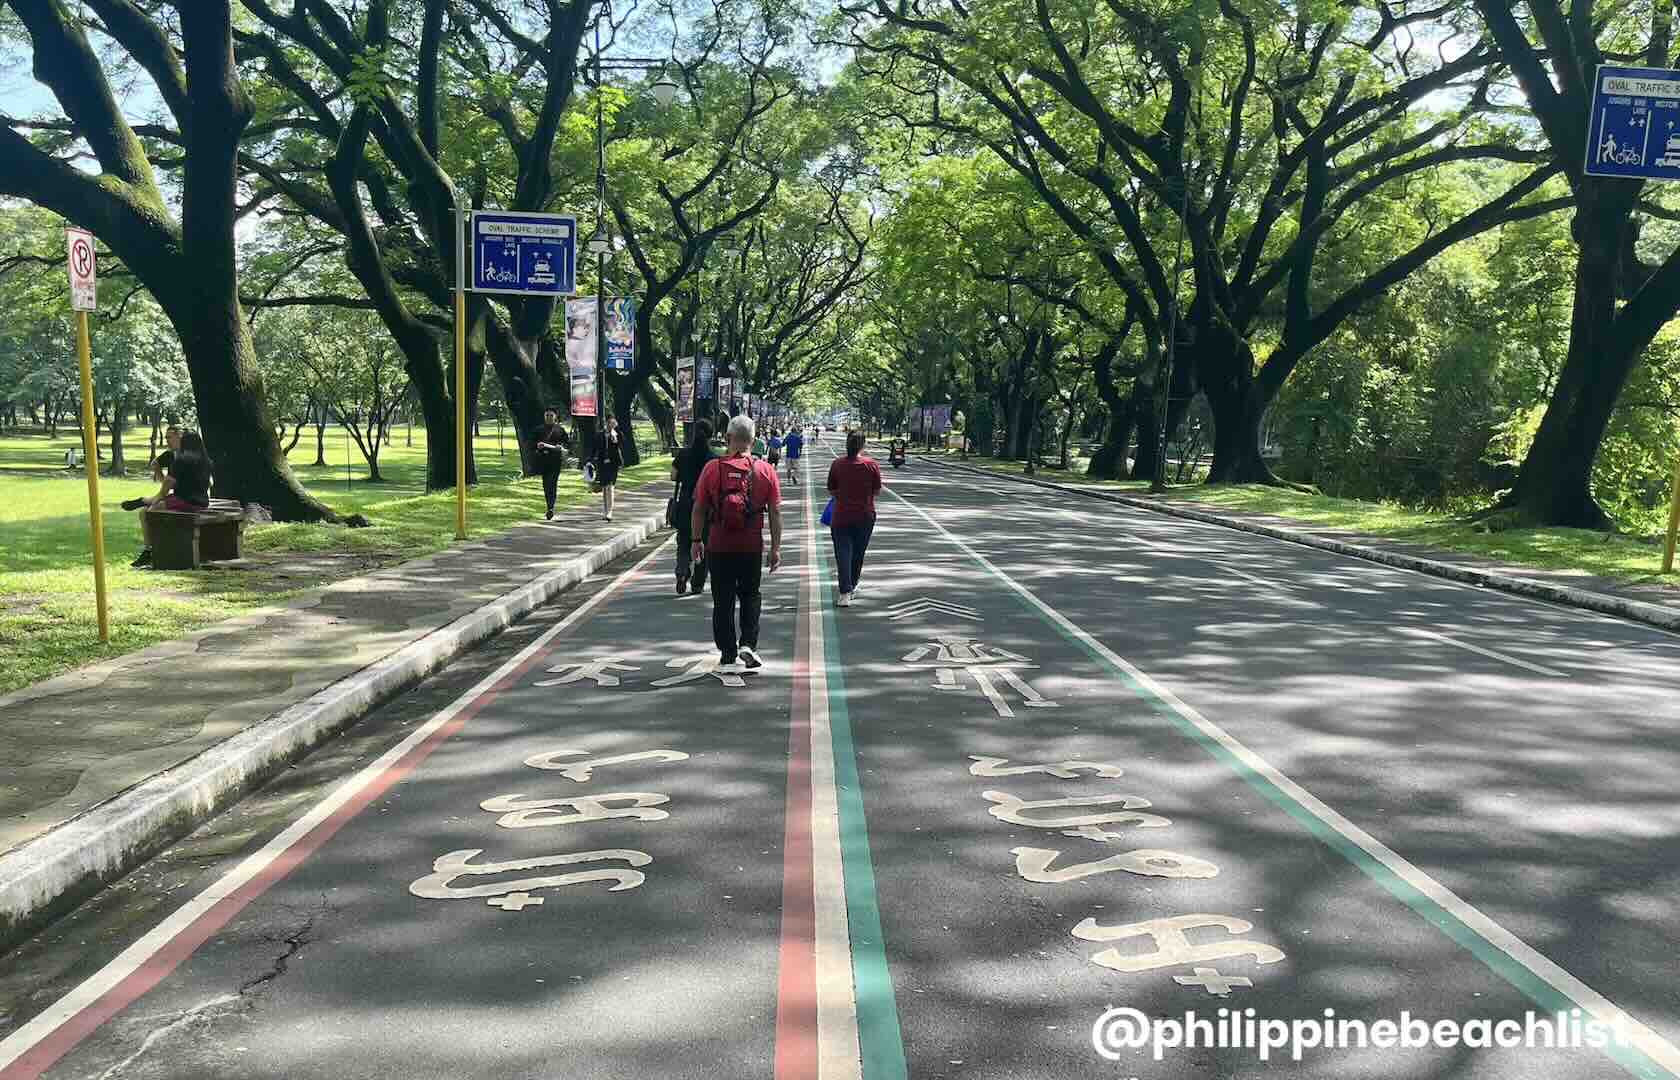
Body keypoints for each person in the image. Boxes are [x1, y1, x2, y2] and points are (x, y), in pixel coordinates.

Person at [691, 415, 783, 673]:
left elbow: (698, 508)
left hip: (718, 545)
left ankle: (728, 652)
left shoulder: (712, 468)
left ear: (728, 437)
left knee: (722, 600)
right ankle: (748, 644)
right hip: (751, 546)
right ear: (753, 440)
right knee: (751, 596)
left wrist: (696, 540)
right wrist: (775, 548)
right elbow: (775, 513)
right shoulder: (766, 471)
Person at [132, 431, 213, 569]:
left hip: (185, 502)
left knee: (147, 513)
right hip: (202, 504)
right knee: (150, 508)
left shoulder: (180, 461)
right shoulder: (207, 461)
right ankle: (152, 551)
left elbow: (165, 490)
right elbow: (209, 484)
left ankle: (150, 552)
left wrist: (153, 501)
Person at [827, 431, 882, 607]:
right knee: (858, 553)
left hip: (841, 516)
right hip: (865, 516)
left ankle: (845, 592)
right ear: (863, 445)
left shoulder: (837, 464)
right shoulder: (871, 465)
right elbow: (877, 490)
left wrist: (844, 496)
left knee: (843, 554)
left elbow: (831, 488)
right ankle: (852, 586)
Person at [671, 420, 714, 596]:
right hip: (705, 506)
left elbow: (673, 476)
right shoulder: (713, 458)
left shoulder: (683, 454)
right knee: (703, 542)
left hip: (685, 502)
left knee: (683, 540)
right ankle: (697, 582)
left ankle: (682, 571)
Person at [122, 425, 182, 513]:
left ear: (179, 437)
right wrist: (163, 481)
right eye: (166, 438)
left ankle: (143, 501)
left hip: (186, 497)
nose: (167, 441)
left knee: (151, 509)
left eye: (169, 437)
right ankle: (144, 501)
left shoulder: (187, 456)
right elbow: (155, 463)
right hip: (177, 494)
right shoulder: (169, 454)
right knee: (151, 507)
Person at [533, 408, 570, 520]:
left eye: (551, 415)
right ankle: (549, 505)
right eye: (547, 415)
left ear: (555, 417)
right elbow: (530, 443)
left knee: (552, 483)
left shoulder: (560, 430)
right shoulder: (538, 430)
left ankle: (551, 507)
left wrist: (561, 447)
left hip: (555, 461)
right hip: (543, 460)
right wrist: (537, 446)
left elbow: (567, 444)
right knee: (546, 484)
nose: (549, 417)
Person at [591, 415, 625, 521]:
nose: (611, 425)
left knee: (610, 486)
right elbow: (594, 449)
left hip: (613, 464)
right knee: (605, 487)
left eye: (613, 423)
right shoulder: (599, 435)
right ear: (606, 423)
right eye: (609, 423)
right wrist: (589, 460)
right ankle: (605, 510)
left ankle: (609, 512)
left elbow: (622, 445)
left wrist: (616, 437)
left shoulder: (617, 434)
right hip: (602, 463)